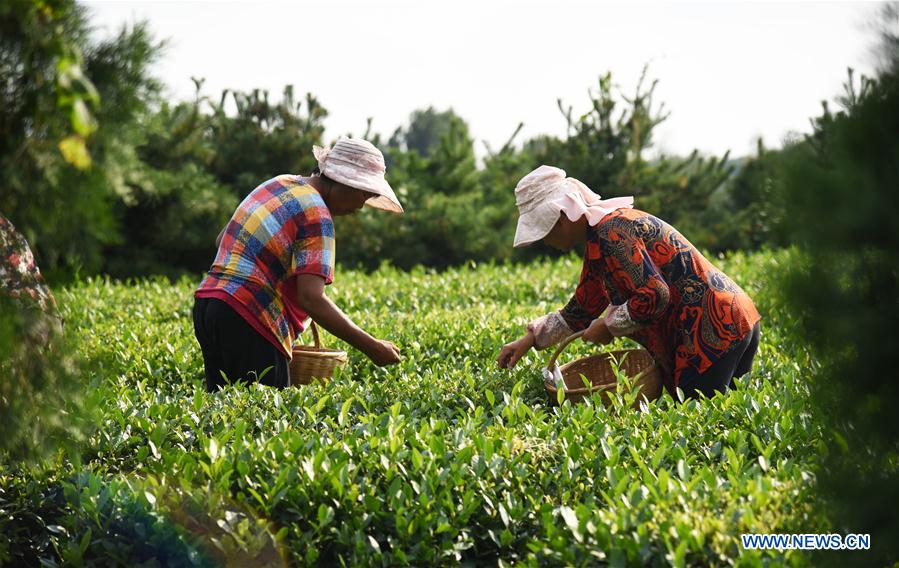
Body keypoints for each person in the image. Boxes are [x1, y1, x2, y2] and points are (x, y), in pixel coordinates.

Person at [496, 165, 761, 400]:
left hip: (713, 331)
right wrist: (529, 340)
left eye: (545, 232)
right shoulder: (600, 239)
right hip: (733, 320)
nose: (546, 241)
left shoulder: (612, 233)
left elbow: (655, 294)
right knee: (727, 417)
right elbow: (582, 309)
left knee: (707, 424)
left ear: (563, 217)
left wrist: (609, 327)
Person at [193, 138, 403, 391]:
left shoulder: (279, 184)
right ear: (340, 180)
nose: (361, 205)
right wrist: (372, 347)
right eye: (361, 193)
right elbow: (311, 298)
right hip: (250, 317)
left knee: (223, 414)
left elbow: (223, 239)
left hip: (209, 307)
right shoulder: (318, 214)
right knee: (263, 420)